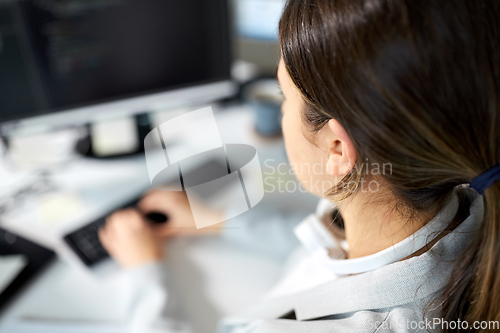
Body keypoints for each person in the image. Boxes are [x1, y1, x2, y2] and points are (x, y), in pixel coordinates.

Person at [98, 0, 500, 332]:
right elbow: (324, 249)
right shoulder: (465, 206)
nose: (282, 109)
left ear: (338, 148)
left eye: (283, 96)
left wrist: (145, 273)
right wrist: (217, 218)